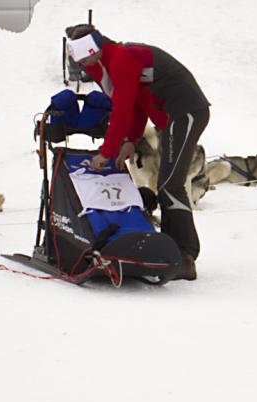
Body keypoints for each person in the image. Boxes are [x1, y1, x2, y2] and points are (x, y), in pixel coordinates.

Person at [65, 25, 210, 280]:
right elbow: (137, 105)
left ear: (94, 46)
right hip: (170, 119)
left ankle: (184, 257)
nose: (82, 63)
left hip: (186, 111)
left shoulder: (122, 59)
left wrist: (107, 151)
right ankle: (175, 254)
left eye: (83, 54)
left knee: (169, 184)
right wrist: (130, 140)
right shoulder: (108, 62)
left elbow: (121, 109)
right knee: (167, 184)